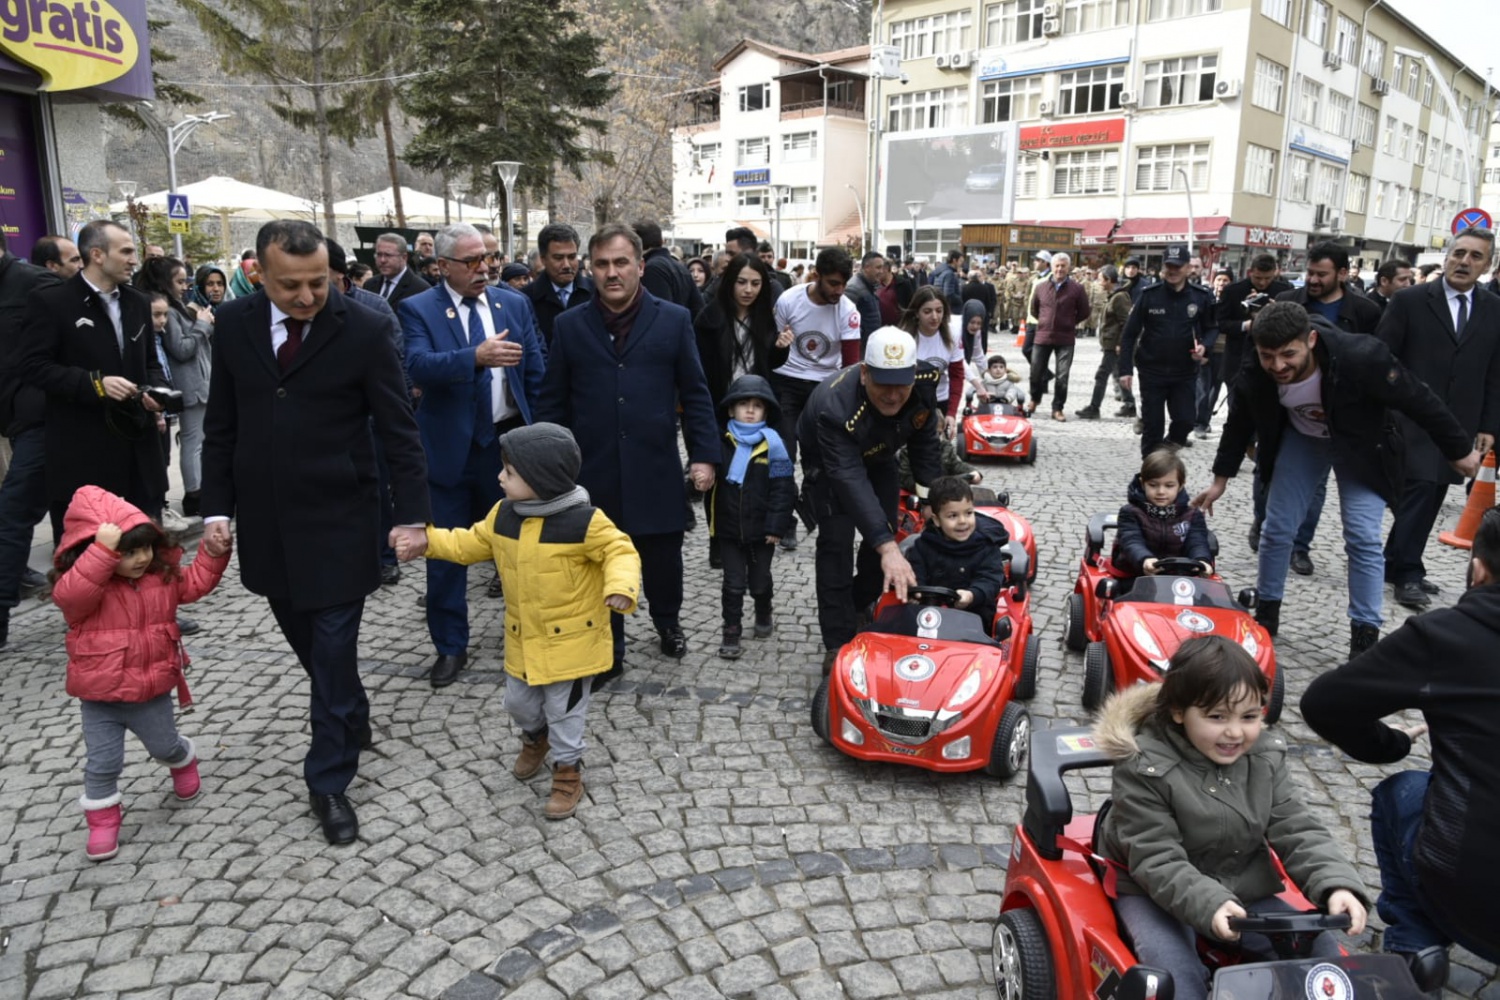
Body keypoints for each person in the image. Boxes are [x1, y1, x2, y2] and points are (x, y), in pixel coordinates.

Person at [201, 220, 431, 846]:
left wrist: (411, 516)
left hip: (341, 518)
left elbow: (398, 428)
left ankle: (327, 777)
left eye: (318, 283)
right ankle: (351, 711)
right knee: (308, 643)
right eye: (290, 286)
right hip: (268, 521)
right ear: (260, 275)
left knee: (331, 650)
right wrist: (215, 508)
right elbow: (221, 423)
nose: (307, 297)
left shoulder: (364, 327)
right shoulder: (236, 325)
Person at [1191, 301, 1480, 657]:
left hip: (1359, 444)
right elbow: (1239, 423)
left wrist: (1459, 450)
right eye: (1269, 356)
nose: (1278, 366)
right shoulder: (1255, 367)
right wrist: (1220, 480)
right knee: (1277, 527)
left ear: (1311, 340)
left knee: (1362, 536)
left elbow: (1418, 398)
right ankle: (1267, 612)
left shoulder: (1362, 357)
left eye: (1288, 355)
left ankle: (1364, 637)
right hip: (1303, 438)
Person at [1093, 636, 1369, 1000]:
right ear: (1178, 712)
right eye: (1217, 717)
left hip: (1239, 880)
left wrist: (1337, 884)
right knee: (1174, 973)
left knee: (1320, 953)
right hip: (1150, 888)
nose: (1236, 732)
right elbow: (1155, 858)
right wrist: (1210, 903)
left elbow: (1296, 827)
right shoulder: (1144, 767)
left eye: (1250, 717)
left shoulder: (1264, 759)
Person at [396, 423, 639, 821]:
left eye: (508, 472)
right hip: (524, 640)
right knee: (519, 703)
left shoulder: (585, 521)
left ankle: (567, 771)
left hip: (572, 646)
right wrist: (428, 541)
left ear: (540, 479)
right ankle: (534, 737)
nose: (499, 477)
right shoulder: (502, 515)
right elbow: (467, 543)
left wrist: (621, 588)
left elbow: (621, 552)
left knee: (566, 713)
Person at [1301, 506, 1500, 969]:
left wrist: (1390, 745)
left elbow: (1324, 704)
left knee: (1401, 792)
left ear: (1478, 570)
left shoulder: (1449, 635)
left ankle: (1415, 943)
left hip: (1477, 903)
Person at [534, 223, 718, 670]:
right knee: (598, 562)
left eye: (620, 263)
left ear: (639, 265)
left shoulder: (672, 319)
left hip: (654, 466)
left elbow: (695, 392)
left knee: (662, 559)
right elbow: (553, 402)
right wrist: (544, 470)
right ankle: (608, 648)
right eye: (601, 264)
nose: (611, 273)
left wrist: (704, 455)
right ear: (589, 269)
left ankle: (667, 620)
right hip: (592, 471)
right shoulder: (569, 324)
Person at [51, 485, 232, 861]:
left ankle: (183, 758)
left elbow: (194, 582)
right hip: (99, 699)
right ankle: (103, 823)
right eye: (127, 552)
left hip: (150, 693)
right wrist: (101, 553)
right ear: (95, 552)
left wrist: (213, 556)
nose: (140, 558)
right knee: (103, 763)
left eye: (145, 548)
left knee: (163, 746)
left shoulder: (158, 578)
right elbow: (71, 596)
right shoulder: (88, 590)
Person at [401, 223, 545, 686]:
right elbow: (416, 366)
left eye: (487, 257)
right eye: (470, 261)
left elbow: (535, 368)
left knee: (518, 548)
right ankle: (449, 645)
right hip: (449, 452)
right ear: (442, 266)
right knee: (444, 552)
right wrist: (474, 358)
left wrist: (539, 432)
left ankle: (530, 634)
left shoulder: (514, 302)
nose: (483, 268)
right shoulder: (418, 308)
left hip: (506, 448)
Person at [798, 327, 942, 665]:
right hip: (830, 459)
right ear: (864, 374)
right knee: (837, 542)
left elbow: (924, 443)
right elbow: (848, 479)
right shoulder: (834, 410)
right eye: (883, 385)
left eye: (901, 386)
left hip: (879, 452)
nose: (893, 396)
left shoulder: (923, 382)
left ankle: (859, 600)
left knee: (886, 526)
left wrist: (934, 500)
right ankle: (838, 641)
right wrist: (888, 548)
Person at [17, 220, 168, 541]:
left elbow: (150, 363)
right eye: (125, 251)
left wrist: (155, 391)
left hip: (139, 451)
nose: (133, 259)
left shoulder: (138, 302)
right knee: (89, 559)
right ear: (97, 254)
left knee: (147, 553)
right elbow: (33, 366)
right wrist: (95, 383)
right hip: (83, 454)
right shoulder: (52, 302)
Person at [1377, 227, 1500, 610]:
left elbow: (1496, 372)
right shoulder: (1409, 301)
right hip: (1411, 417)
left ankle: (1394, 562)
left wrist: (1488, 426)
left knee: (1433, 493)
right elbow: (1382, 357)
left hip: (1460, 421)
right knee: (1421, 486)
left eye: (1475, 256)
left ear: (1487, 264)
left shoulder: (1494, 309)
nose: (1464, 261)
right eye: (1459, 253)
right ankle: (1408, 571)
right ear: (1447, 255)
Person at [769, 247, 861, 550]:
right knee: (783, 454)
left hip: (825, 387)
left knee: (817, 461)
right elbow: (773, 347)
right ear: (817, 275)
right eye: (833, 283)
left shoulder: (848, 310)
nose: (839, 290)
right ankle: (784, 519)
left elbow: (850, 364)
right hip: (788, 382)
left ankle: (808, 508)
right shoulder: (788, 300)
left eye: (844, 283)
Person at [708, 375, 794, 659]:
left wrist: (776, 526)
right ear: (731, 409)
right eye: (743, 404)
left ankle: (763, 606)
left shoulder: (774, 447)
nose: (749, 410)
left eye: (757, 405)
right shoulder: (720, 443)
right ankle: (731, 628)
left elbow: (783, 489)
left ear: (766, 412)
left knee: (758, 581)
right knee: (732, 582)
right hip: (729, 529)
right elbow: (708, 480)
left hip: (762, 533)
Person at [1118, 244, 1216, 455]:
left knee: (1185, 421)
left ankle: (1164, 452)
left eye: (1178, 267)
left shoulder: (1200, 297)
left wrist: (1204, 347)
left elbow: (1212, 329)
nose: (1172, 271)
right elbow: (1128, 335)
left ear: (1188, 268)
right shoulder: (1149, 295)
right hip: (1152, 371)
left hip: (1185, 372)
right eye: (1168, 266)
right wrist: (1125, 369)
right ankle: (1149, 474)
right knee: (1153, 427)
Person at [135, 257, 213, 519]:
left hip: (198, 382)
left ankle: (199, 490)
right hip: (188, 385)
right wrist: (202, 325)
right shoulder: (165, 308)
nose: (185, 286)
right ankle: (194, 494)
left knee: (198, 440)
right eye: (180, 281)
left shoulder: (176, 307)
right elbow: (181, 349)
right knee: (192, 442)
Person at [905, 475, 1008, 630]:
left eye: (968, 513)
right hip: (929, 614)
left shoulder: (986, 547)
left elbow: (990, 579)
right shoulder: (923, 546)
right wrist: (915, 591)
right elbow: (915, 572)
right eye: (953, 516)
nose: (962, 521)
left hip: (973, 617)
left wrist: (972, 595)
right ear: (937, 520)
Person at [693, 253, 792, 409]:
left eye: (755, 283)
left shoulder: (764, 317)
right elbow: (700, 369)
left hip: (755, 405)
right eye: (741, 282)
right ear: (730, 282)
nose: (748, 290)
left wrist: (780, 347)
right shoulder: (709, 318)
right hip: (718, 403)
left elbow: (770, 363)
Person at [1113, 448, 1213, 578]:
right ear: (1143, 484)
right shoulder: (1130, 512)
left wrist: (1202, 560)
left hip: (1180, 577)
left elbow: (1196, 541)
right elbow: (1131, 541)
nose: (1161, 491)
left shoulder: (1192, 515)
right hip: (1135, 574)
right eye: (1153, 485)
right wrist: (1145, 559)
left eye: (1169, 485)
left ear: (1181, 485)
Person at [1026, 251, 1090, 422]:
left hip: (1065, 338)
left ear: (1068, 268)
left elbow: (1085, 311)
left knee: (1062, 376)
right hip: (1043, 336)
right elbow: (1034, 309)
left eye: (1063, 266)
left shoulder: (1077, 289)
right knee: (1035, 371)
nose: (1060, 269)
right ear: (1051, 267)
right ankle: (1034, 399)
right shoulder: (1040, 287)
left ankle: (1057, 408)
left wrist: (1069, 322)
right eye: (1057, 266)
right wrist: (1045, 322)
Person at [899, 286, 966, 439]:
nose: (935, 317)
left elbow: (957, 376)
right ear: (917, 313)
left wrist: (952, 413)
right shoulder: (904, 338)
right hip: (910, 403)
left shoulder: (953, 335)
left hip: (941, 400)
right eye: (927, 311)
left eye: (939, 310)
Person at [1275, 241, 1382, 335]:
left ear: (1342, 274)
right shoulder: (1285, 301)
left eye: (1321, 275)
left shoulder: (1366, 311)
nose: (1313, 280)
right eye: (1310, 273)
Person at [1076, 265, 1134, 420]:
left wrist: (1120, 344)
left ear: (1109, 280)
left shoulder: (1119, 297)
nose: (1098, 281)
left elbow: (1126, 323)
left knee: (1101, 375)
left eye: (1101, 278)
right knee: (1119, 373)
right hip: (1110, 344)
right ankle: (1130, 405)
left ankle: (1094, 408)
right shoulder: (1114, 295)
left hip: (1114, 346)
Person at [522, 222, 593, 346]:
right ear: (543, 259)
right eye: (558, 258)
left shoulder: (597, 293)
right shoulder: (525, 299)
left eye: (572, 257)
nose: (566, 265)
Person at [635, 219, 703, 315]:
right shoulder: (680, 267)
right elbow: (698, 307)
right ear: (661, 241)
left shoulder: (651, 269)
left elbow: (658, 313)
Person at [364, 234, 427, 308]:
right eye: (379, 255)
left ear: (404, 257)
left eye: (388, 255)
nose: (382, 260)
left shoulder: (421, 290)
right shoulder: (369, 285)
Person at [931, 249, 964, 315]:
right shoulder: (949, 274)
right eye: (960, 261)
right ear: (954, 260)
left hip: (942, 306)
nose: (961, 264)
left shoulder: (941, 271)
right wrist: (961, 299)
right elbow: (949, 295)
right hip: (951, 310)